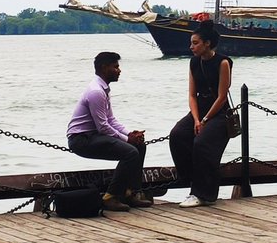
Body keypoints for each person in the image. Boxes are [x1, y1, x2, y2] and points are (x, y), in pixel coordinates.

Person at [66, 51, 152, 212]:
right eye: (115, 67)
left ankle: (132, 192)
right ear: (104, 68)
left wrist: (130, 135)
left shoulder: (103, 89)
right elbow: (103, 127)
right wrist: (127, 141)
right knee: (130, 152)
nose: (119, 70)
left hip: (94, 135)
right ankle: (111, 196)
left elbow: (111, 120)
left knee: (140, 146)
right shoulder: (96, 92)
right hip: (81, 139)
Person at [168, 19, 234, 208]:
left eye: (195, 43)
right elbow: (191, 95)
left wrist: (205, 120)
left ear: (207, 43)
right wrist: (196, 119)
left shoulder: (223, 63)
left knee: (202, 143)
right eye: (191, 43)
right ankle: (190, 181)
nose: (192, 47)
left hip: (219, 113)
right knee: (178, 135)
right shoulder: (194, 62)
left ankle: (202, 193)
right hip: (199, 111)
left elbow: (222, 97)